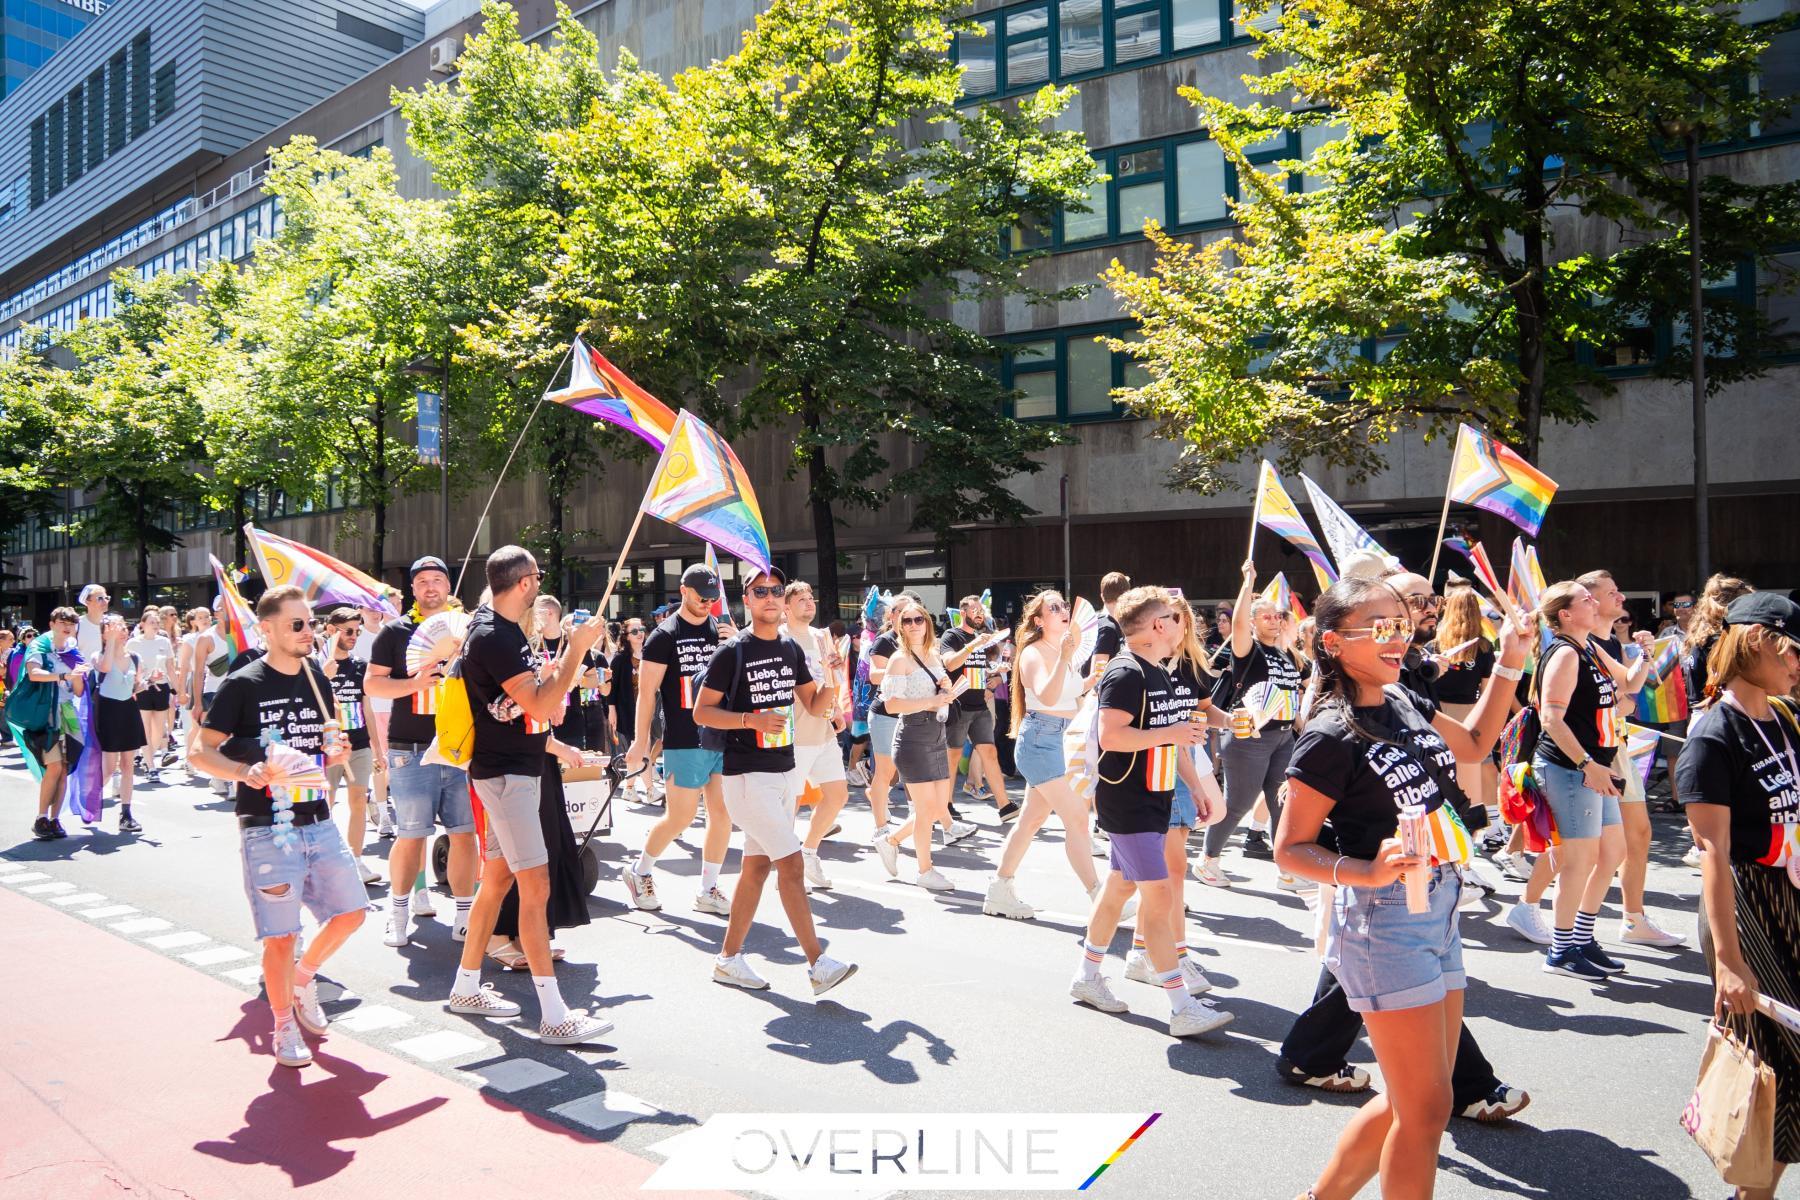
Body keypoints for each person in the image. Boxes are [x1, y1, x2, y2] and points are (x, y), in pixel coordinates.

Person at [1275, 575, 1528, 1199]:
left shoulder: (1402, 701)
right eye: (1380, 627)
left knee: (1416, 1098)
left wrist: (1513, 662)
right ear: (1333, 642)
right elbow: (1289, 849)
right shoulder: (1330, 734)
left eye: (1402, 622)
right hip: (1384, 920)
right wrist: (1365, 869)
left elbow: (1473, 743)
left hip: (1438, 903)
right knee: (1427, 1110)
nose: (1400, 635)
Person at [191, 585, 367, 1070]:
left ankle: (304, 978)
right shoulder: (243, 684)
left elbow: (331, 740)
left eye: (311, 623)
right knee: (281, 937)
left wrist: (337, 751)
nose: (309, 632)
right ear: (267, 630)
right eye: (298, 625)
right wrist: (244, 772)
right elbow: (199, 751)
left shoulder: (317, 677)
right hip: (267, 828)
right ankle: (282, 1025)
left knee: (352, 912)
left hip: (318, 816)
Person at [444, 545, 612, 1045]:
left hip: (508, 771)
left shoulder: (498, 630)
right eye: (536, 577)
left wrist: (553, 727)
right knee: (534, 889)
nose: (539, 585)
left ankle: (465, 986)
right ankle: (555, 1014)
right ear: (523, 582)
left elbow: (531, 704)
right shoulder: (494, 635)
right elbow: (539, 699)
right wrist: (578, 648)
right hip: (507, 778)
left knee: (496, 881)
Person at [1677, 592, 1800, 1197]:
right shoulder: (1713, 735)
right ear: (1758, 641)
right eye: (1793, 651)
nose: (1799, 663)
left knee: (1789, 1079)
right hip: (1749, 913)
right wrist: (1729, 961)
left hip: (1794, 901)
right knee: (1774, 1071)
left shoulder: (1785, 717)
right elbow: (1712, 855)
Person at [1071, 587, 1231, 1037]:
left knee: (1119, 889)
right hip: (1130, 804)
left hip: (1154, 798)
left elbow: (1171, 736)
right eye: (1175, 617)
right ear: (1159, 625)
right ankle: (1182, 1006)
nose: (1183, 623)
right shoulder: (1125, 672)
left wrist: (1195, 785)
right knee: (1159, 902)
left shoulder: (1157, 671)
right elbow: (1113, 736)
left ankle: (1086, 978)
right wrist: (1176, 732)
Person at [694, 565, 856, 995]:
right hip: (747, 776)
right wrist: (749, 719)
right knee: (792, 862)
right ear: (746, 599)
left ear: (783, 600)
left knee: (756, 867)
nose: (769, 597)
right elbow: (702, 711)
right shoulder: (732, 652)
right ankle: (817, 962)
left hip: (784, 772)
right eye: (760, 590)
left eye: (776, 590)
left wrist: (833, 674)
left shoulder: (789, 648)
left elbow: (814, 703)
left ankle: (728, 960)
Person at [1515, 581, 1632, 980]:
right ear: (1565, 614)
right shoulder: (1565, 653)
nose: (1594, 601)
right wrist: (1588, 765)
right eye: (1585, 599)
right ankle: (1561, 949)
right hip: (1571, 769)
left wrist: (1648, 654)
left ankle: (1581, 938)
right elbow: (1551, 718)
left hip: (1596, 768)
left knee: (1613, 852)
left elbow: (1630, 686)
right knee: (1579, 861)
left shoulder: (1589, 648)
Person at [366, 556, 476, 948]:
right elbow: (373, 686)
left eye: (437, 580)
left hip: (461, 746)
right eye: (423, 582)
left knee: (464, 835)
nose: (431, 587)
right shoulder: (394, 633)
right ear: (413, 589)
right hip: (408, 748)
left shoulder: (470, 630)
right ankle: (397, 913)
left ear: (449, 587)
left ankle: (465, 915)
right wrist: (415, 684)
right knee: (411, 835)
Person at [1576, 568, 1687, 949]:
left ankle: (1632, 918)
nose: (1621, 598)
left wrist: (1645, 653)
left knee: (1637, 836)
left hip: (1617, 744)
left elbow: (1632, 691)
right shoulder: (1580, 644)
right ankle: (1564, 929)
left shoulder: (1611, 644)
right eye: (1612, 593)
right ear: (1589, 601)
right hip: (1591, 752)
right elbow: (1611, 700)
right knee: (1589, 850)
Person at [625, 564, 736, 915]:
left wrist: (736, 645)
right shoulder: (663, 636)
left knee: (722, 816)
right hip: (684, 737)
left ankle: (708, 888)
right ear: (684, 591)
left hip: (721, 733)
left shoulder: (720, 631)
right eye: (702, 596)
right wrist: (640, 742)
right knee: (680, 818)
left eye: (713, 597)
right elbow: (646, 693)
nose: (707, 603)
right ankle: (639, 870)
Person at [983, 590, 1103, 917]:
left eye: (1064, 605)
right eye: (1054, 607)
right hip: (1041, 740)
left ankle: (999, 888)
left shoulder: (1063, 650)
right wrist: (1065, 658)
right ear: (1039, 620)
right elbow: (1048, 697)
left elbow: (1072, 697)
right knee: (1077, 819)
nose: (1063, 610)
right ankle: (1101, 898)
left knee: (1030, 821)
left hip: (1061, 741)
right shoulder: (1034, 653)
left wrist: (1092, 680)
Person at [1200, 558, 1303, 888]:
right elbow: (1240, 623)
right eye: (1266, 616)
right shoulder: (1249, 649)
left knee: (1281, 803)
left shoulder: (1284, 653)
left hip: (1283, 737)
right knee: (1238, 804)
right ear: (1255, 622)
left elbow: (1290, 694)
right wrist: (1247, 583)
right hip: (1250, 738)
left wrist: (1300, 725)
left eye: (1277, 616)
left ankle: (1286, 869)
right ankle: (1207, 861)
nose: (1274, 621)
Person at [872, 597, 961, 890]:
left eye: (918, 619)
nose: (912, 625)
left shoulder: (933, 653)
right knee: (925, 811)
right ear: (899, 626)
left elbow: (937, 687)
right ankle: (925, 870)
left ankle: (891, 840)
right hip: (912, 736)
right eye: (906, 621)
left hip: (935, 733)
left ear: (927, 623)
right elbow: (892, 704)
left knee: (936, 809)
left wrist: (945, 688)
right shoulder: (899, 659)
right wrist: (931, 701)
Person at [784, 581, 849, 890]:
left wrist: (836, 707)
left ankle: (808, 851)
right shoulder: (780, 638)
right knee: (790, 806)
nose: (809, 603)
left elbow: (830, 676)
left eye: (811, 598)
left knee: (837, 795)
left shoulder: (822, 636)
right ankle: (787, 868)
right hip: (794, 733)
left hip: (823, 731)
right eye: (801, 599)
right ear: (786, 607)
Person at [319, 608, 379, 885]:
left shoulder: (360, 665)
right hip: (327, 746)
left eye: (358, 630)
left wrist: (377, 749)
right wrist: (325, 677)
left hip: (359, 743)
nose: (355, 636)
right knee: (324, 804)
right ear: (332, 630)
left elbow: (367, 708)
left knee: (358, 801)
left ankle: (355, 860)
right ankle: (325, 861)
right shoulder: (314, 665)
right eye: (349, 631)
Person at [940, 594, 1012, 820]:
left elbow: (979, 671)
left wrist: (997, 675)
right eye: (975, 611)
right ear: (963, 613)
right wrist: (973, 645)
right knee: (952, 756)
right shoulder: (952, 636)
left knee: (989, 752)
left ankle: (1005, 805)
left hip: (980, 705)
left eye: (981, 611)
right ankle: (946, 804)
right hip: (959, 706)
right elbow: (950, 663)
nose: (980, 615)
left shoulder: (982, 639)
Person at [1432, 586, 1496, 823]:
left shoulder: (1435, 644)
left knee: (1441, 767)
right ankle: (1490, 825)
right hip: (1470, 712)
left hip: (1437, 713)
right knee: (1482, 766)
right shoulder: (1485, 648)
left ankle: (1447, 818)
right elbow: (1487, 689)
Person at [24, 608, 85, 840]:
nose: (67, 626)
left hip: (67, 713)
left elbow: (78, 691)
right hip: (46, 713)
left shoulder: (74, 653)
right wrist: (62, 676)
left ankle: (54, 819)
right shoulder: (40, 647)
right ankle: (41, 817)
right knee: (55, 766)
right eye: (62, 622)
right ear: (51, 624)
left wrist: (79, 674)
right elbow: (33, 674)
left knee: (64, 769)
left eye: (71, 622)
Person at [94, 614, 146, 833]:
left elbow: (135, 686)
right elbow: (105, 668)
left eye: (123, 627)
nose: (120, 631)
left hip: (128, 711)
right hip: (107, 711)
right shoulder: (97, 655)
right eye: (113, 628)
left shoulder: (135, 657)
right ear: (104, 633)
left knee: (127, 765)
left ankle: (126, 814)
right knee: (107, 770)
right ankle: (89, 797)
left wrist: (149, 682)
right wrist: (111, 642)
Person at [610, 617, 660, 804]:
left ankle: (629, 789)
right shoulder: (620, 659)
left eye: (641, 630)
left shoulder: (651, 654)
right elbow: (612, 688)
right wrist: (612, 710)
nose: (639, 634)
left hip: (651, 707)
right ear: (626, 636)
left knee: (636, 748)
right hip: (629, 710)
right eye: (634, 631)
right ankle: (650, 789)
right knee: (642, 746)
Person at [127, 609, 175, 772]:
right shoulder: (133, 643)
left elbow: (170, 666)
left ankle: (148, 757)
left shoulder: (164, 641)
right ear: (142, 625)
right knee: (145, 727)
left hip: (161, 686)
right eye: (151, 622)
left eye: (156, 622)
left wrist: (177, 690)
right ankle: (151, 766)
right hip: (143, 687)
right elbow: (127, 665)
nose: (155, 625)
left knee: (159, 729)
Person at [75, 584, 108, 661]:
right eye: (100, 598)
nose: (105, 601)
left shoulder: (111, 624)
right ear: (87, 601)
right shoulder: (77, 625)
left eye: (106, 598)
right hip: (85, 671)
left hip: (108, 672)